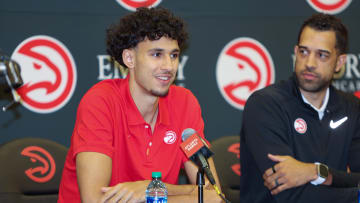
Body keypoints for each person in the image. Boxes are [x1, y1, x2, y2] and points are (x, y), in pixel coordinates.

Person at [58, 7, 223, 203]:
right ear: (129, 58)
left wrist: (152, 189)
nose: (169, 66)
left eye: (174, 55)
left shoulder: (185, 103)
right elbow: (95, 200)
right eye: (156, 54)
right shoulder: (100, 101)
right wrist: (178, 195)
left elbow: (213, 195)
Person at [240, 13, 360, 203]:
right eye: (304, 52)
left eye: (322, 55)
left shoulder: (352, 108)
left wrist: (317, 172)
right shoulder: (265, 105)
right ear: (295, 52)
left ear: (339, 62)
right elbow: (289, 195)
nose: (310, 63)